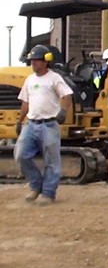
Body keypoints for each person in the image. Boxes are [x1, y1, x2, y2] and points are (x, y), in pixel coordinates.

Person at [15, 44, 73, 205]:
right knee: (21, 154)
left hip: (49, 125)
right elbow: (25, 103)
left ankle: (48, 193)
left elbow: (67, 95)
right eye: (31, 61)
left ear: (45, 61)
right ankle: (36, 185)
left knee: (52, 161)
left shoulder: (54, 78)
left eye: (35, 61)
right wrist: (20, 121)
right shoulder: (29, 80)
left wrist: (63, 111)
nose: (32, 63)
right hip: (31, 124)